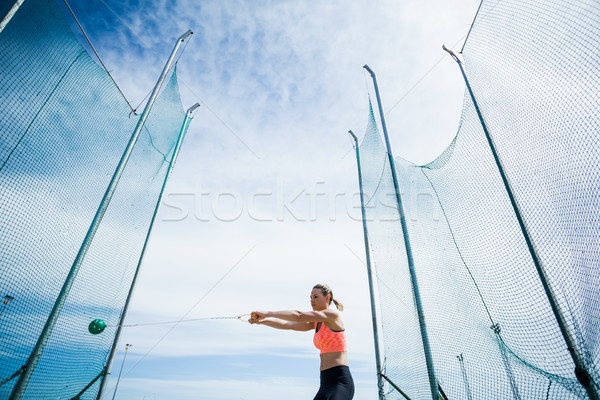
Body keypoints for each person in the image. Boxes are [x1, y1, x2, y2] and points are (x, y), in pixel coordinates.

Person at [249, 283, 355, 400]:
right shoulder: (315, 323)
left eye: (315, 297)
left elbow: (299, 315)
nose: (312, 301)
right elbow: (287, 325)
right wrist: (262, 321)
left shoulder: (332, 316)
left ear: (327, 297)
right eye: (310, 298)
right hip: (324, 383)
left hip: (339, 382)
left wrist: (267, 313)